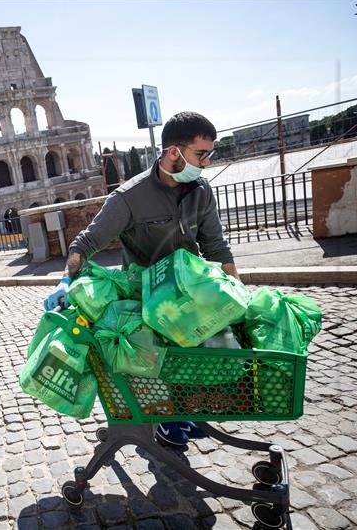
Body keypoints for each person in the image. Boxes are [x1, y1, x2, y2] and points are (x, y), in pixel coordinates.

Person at [43, 111, 240, 446]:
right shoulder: (129, 197)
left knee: (197, 356)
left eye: (210, 154)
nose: (206, 162)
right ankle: (166, 419)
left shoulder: (201, 191)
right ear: (174, 151)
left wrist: (237, 290)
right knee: (159, 362)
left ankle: (186, 410)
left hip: (193, 294)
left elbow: (216, 247)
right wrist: (65, 281)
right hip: (146, 297)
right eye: (201, 153)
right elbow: (86, 243)